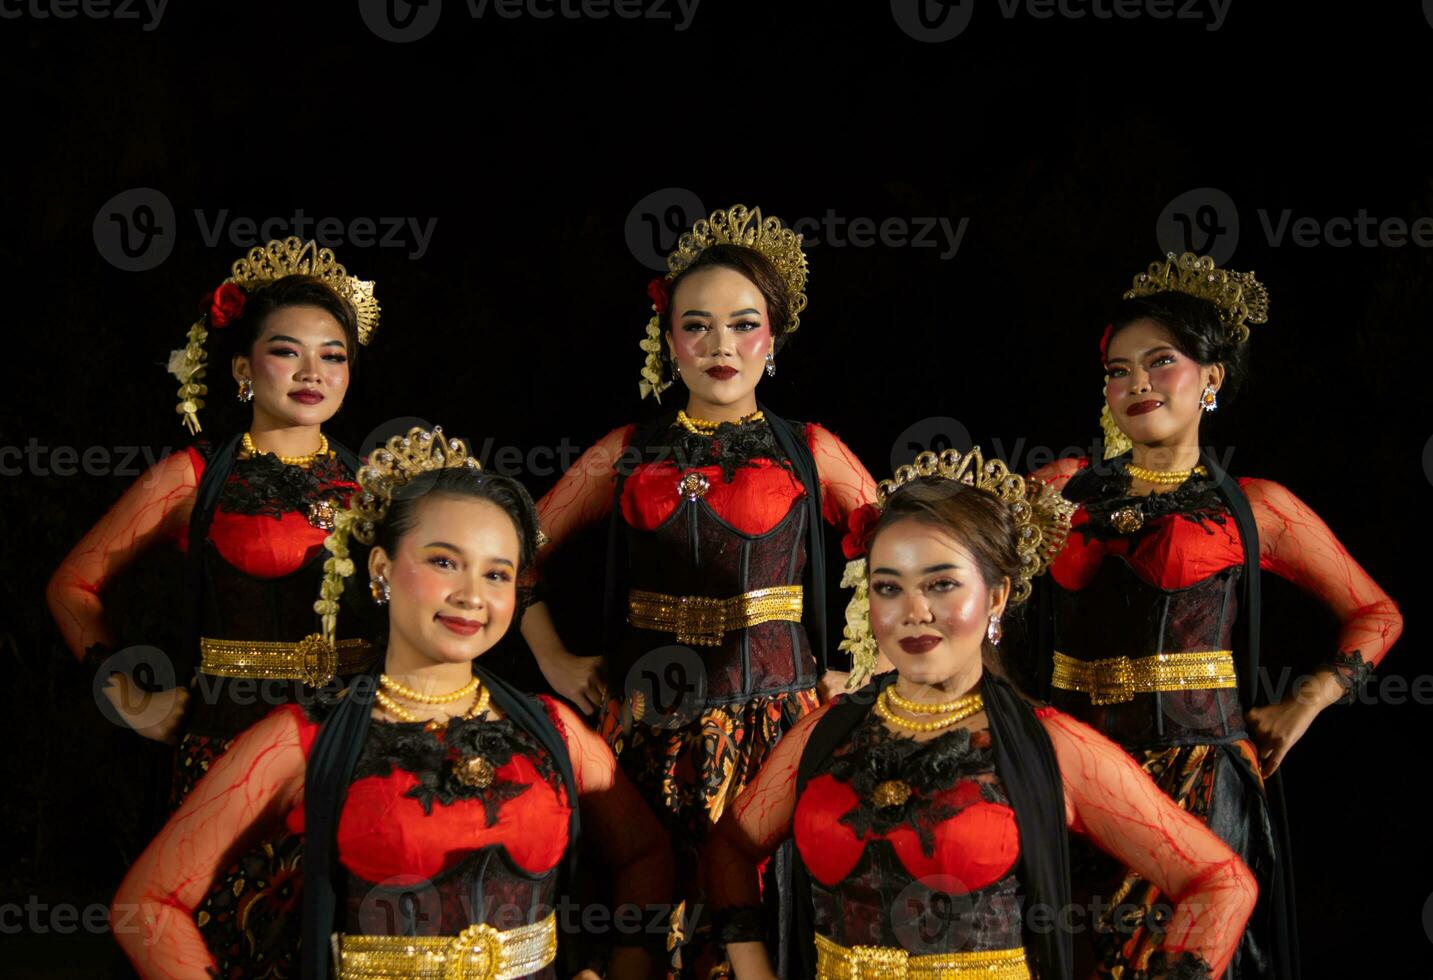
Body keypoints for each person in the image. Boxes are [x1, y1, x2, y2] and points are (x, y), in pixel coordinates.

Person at [112, 426, 675, 979]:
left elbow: (645, 854)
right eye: (444, 562)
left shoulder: (555, 731)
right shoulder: (303, 740)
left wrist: (628, 962)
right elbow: (148, 905)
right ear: (381, 569)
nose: (472, 595)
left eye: (497, 573)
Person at [706, 448, 1259, 980]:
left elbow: (1221, 881)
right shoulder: (822, 733)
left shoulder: (1051, 744)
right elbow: (731, 846)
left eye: (942, 584)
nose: (913, 612)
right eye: (888, 588)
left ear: (997, 596)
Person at [519, 205, 881, 972]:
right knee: (644, 922)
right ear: (668, 339)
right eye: (697, 325)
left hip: (780, 727)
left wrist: (867, 666)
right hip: (649, 729)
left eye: (742, 324)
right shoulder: (625, 451)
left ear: (773, 338)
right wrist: (550, 657)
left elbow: (909, 554)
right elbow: (510, 550)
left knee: (765, 914)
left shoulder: (810, 450)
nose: (720, 345)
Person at [1029, 252, 1403, 977]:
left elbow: (1375, 612)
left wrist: (1305, 700)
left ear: (1211, 378)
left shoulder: (1256, 508)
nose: (1134, 381)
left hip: (1197, 778)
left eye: (1159, 361)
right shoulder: (1058, 492)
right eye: (1117, 368)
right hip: (1073, 778)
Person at [48, 237, 382, 974]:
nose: (312, 372)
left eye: (332, 355)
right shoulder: (192, 477)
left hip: (354, 754)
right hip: (227, 754)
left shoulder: (378, 485)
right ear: (240, 368)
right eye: (287, 351)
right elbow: (73, 585)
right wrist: (122, 692)